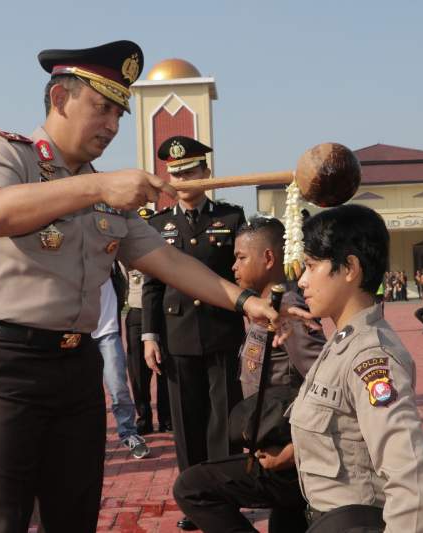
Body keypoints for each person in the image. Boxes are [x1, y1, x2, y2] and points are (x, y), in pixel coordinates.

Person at [0, 41, 278, 533]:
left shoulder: (108, 194)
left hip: (76, 367)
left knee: (74, 514)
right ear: (60, 99)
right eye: (101, 108)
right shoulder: (9, 155)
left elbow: (166, 259)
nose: (112, 125)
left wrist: (245, 300)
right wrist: (98, 187)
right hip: (3, 367)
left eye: (120, 114)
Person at [285, 204, 423, 532]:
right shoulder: (343, 341)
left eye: (312, 266)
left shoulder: (371, 356)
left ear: (350, 268)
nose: (302, 280)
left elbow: (411, 475)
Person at [174, 217, 326, 533]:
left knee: (193, 487)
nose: (234, 267)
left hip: (288, 458)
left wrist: (294, 451)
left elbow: (330, 388)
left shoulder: (288, 311)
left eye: (241, 257)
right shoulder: (267, 307)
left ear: (268, 258)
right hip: (274, 447)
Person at [142, 135, 247, 531]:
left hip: (222, 331)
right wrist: (149, 336)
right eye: (177, 175)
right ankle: (194, 500)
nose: (184, 181)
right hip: (177, 333)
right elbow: (152, 285)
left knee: (224, 419)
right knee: (186, 421)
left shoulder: (231, 219)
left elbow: (242, 273)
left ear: (206, 172)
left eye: (191, 172)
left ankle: (224, 498)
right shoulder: (157, 224)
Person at [92, 266, 150, 459]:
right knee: (85, 393)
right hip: (80, 336)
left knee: (118, 388)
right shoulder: (72, 263)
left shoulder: (111, 260)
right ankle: (90, 437)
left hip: (108, 333)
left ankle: (129, 433)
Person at [126, 207, 170, 434]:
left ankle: (166, 418)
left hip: (159, 313)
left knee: (163, 368)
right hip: (136, 312)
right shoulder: (127, 249)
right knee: (138, 372)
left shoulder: (160, 249)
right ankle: (144, 418)